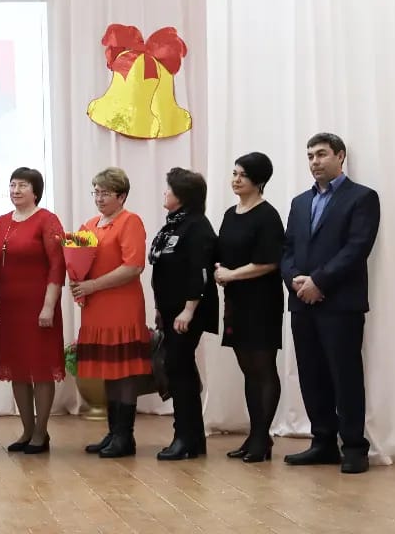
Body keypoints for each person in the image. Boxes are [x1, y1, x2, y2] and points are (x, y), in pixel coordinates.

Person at [281, 133, 380, 474]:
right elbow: (287, 249)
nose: (315, 161)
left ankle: (353, 447)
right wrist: (295, 280)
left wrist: (319, 282)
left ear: (340, 156)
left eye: (321, 154)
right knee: (312, 375)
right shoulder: (299, 202)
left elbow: (357, 247)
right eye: (310, 156)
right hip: (302, 303)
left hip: (341, 304)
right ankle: (322, 442)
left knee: (345, 376)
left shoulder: (362, 197)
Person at [70, 167, 150, 459]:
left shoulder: (130, 221)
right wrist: (77, 282)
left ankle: (125, 436)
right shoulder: (89, 224)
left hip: (121, 306)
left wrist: (92, 285)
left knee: (123, 372)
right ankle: (113, 432)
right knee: (108, 370)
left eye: (105, 193)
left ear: (122, 196)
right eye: (96, 192)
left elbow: (133, 267)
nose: (99, 198)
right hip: (96, 308)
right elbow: (76, 262)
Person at [0, 167, 65, 454]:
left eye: (22, 185)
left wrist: (49, 306)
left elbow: (57, 265)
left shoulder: (47, 219)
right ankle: (27, 430)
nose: (15, 190)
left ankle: (41, 433)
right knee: (18, 369)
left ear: (36, 191)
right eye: (12, 185)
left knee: (41, 368)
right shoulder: (2, 221)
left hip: (39, 305)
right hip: (11, 306)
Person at [214, 152, 286, 463]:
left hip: (261, 300)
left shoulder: (267, 216)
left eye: (242, 175)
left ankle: (261, 436)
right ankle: (256, 434)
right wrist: (219, 269)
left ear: (259, 180)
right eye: (234, 173)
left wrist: (231, 274)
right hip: (236, 300)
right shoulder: (230, 214)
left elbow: (269, 262)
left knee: (263, 367)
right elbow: (222, 251)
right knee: (247, 369)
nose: (236, 179)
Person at [149, 168, 218, 461]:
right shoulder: (173, 224)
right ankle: (193, 439)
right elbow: (163, 269)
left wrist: (188, 310)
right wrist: (159, 307)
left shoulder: (197, 226)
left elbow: (199, 272)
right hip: (170, 310)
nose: (165, 193)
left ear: (183, 195)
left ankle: (184, 437)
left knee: (179, 370)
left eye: (169, 189)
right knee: (180, 369)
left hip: (188, 311)